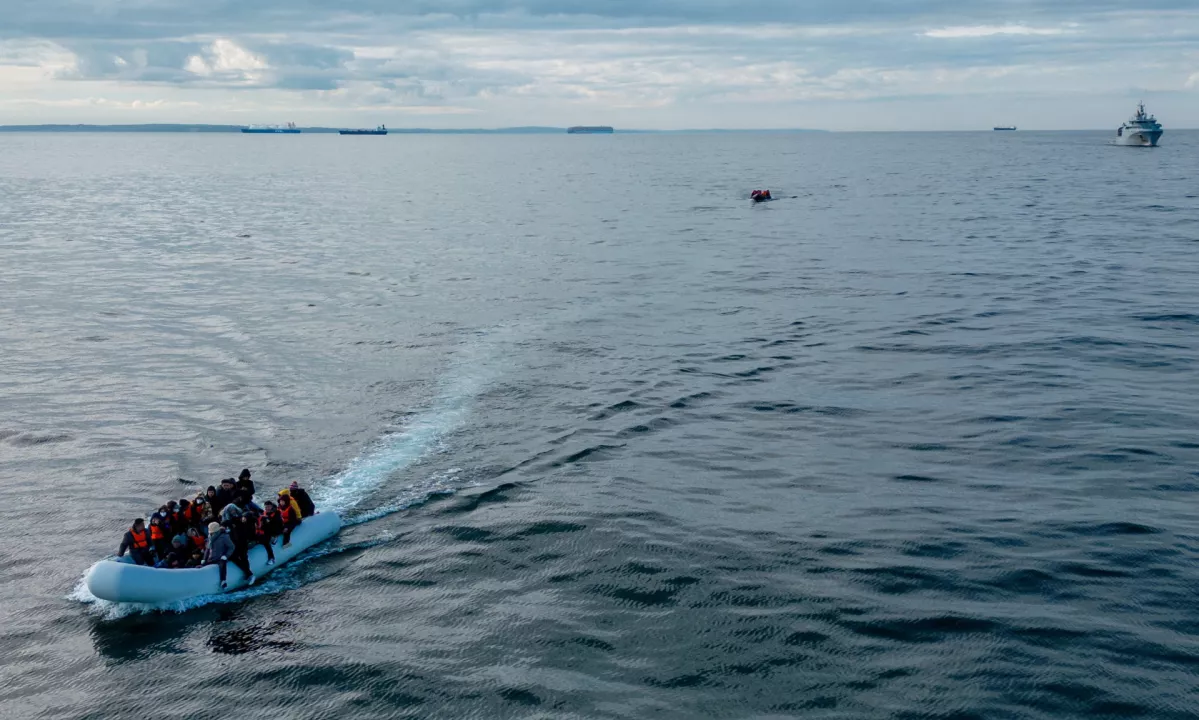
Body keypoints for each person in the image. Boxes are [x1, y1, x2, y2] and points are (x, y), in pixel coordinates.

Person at [204, 522, 253, 590]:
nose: (211, 533)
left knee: (223, 564)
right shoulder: (209, 538)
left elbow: (232, 547)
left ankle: (223, 581)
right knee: (203, 564)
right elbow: (207, 549)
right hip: (212, 558)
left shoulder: (224, 536)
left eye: (213, 532)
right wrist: (204, 559)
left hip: (221, 557)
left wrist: (226, 556)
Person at [257, 501, 283, 565]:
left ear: (271, 506)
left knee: (266, 542)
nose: (267, 508)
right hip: (267, 529)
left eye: (268, 507)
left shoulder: (276, 513)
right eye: (266, 507)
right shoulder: (265, 513)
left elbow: (277, 524)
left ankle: (272, 558)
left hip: (275, 529)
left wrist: (267, 521)